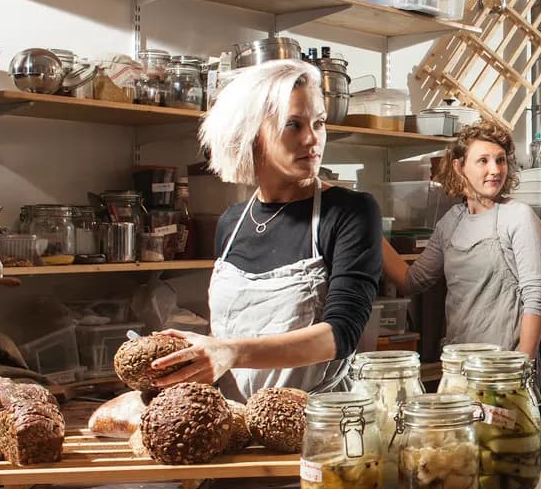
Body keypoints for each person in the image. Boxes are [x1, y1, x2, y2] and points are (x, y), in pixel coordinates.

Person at [150, 60, 383, 400]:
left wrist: (232, 352)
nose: (312, 139)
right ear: (252, 135)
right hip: (241, 419)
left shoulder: (350, 212)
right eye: (293, 125)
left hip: (319, 420)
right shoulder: (231, 222)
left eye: (318, 123)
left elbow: (342, 333)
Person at [384, 121, 541, 358]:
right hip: (458, 364)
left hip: (503, 367)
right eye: (483, 160)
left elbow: (536, 297)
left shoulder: (518, 217)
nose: (495, 169)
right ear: (459, 167)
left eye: (500, 160)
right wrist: (369, 232)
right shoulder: (451, 222)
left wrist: (521, 366)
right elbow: (413, 281)